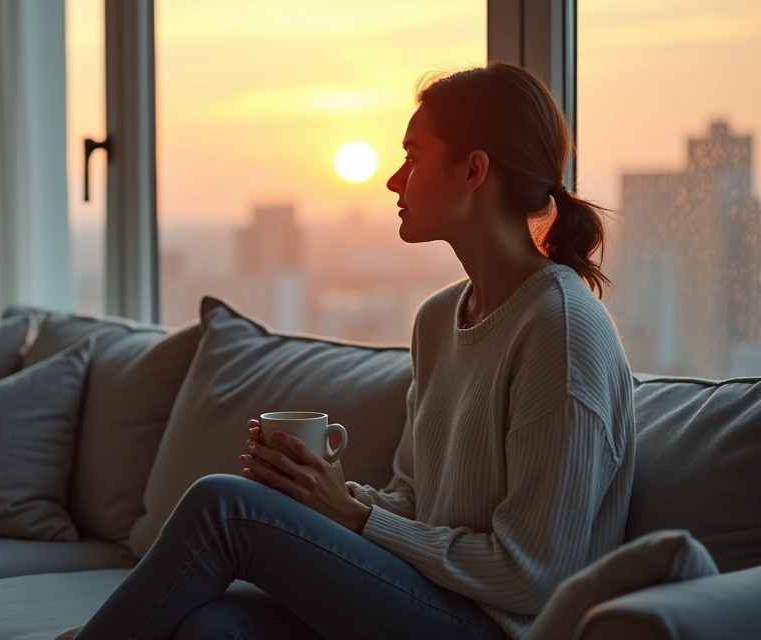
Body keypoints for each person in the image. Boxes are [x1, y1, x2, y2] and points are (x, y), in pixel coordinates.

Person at [62, 62, 635, 640]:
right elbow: (414, 503)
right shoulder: (439, 320)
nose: (393, 179)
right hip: (429, 597)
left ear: (473, 169)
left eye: (412, 155)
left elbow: (534, 575)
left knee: (224, 507)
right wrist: (320, 490)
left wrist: (353, 516)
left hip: (504, 628)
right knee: (211, 628)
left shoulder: (560, 331)